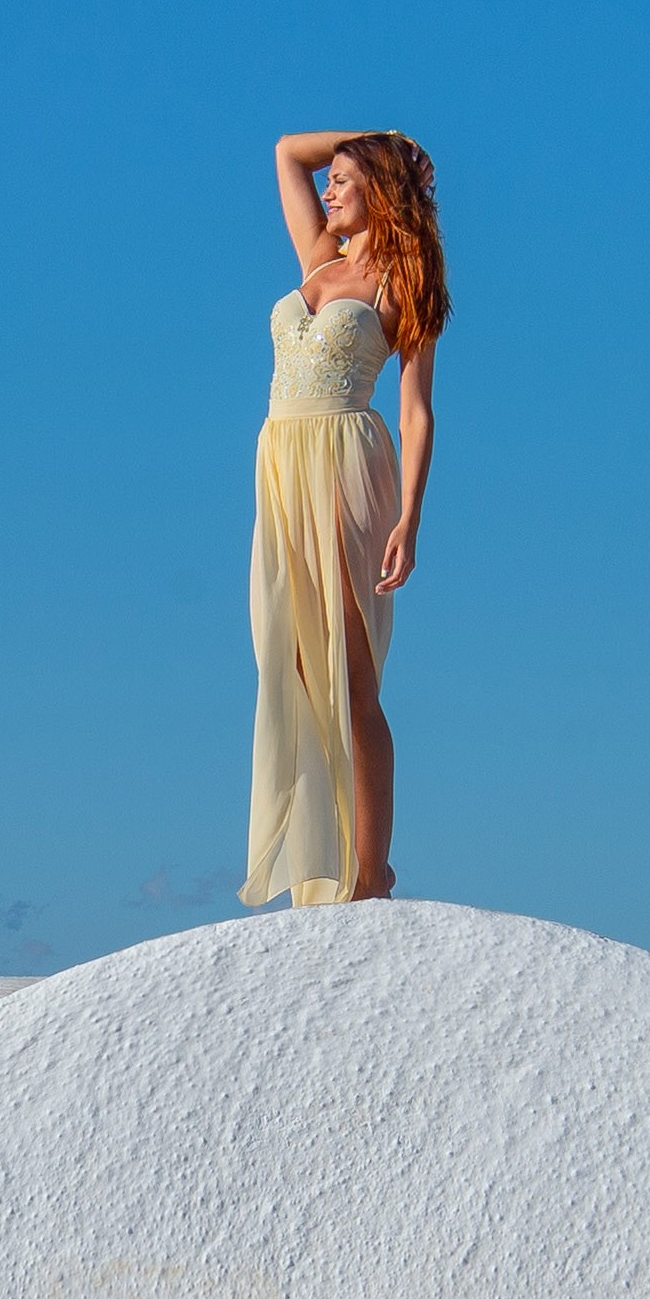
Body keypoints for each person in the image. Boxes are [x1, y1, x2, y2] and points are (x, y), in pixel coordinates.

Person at [246, 131, 450, 909]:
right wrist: (378, 139)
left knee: (352, 670)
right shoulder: (317, 258)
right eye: (328, 183)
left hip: (346, 461)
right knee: (294, 664)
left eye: (344, 181)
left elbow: (419, 407)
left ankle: (372, 873)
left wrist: (411, 515)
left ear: (382, 190)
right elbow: (285, 152)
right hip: (280, 466)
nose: (327, 191)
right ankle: (325, 859)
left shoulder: (405, 278)